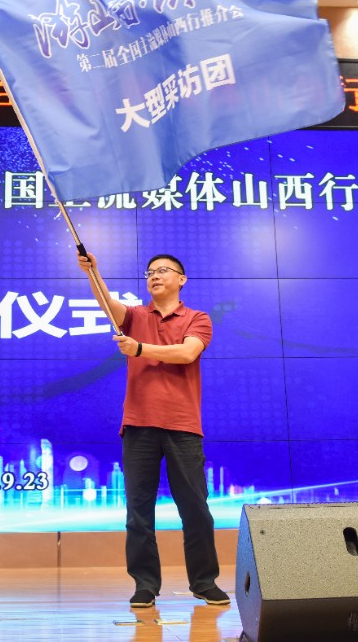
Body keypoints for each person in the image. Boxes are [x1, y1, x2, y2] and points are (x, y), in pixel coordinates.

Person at [76, 250, 228, 610]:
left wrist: (140, 348)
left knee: (195, 508)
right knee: (139, 512)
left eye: (163, 271)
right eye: (149, 273)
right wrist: (93, 271)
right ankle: (145, 584)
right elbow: (106, 304)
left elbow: (186, 353)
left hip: (183, 425)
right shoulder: (135, 316)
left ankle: (204, 582)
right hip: (139, 425)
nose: (155, 276)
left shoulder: (197, 318)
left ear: (181, 279)